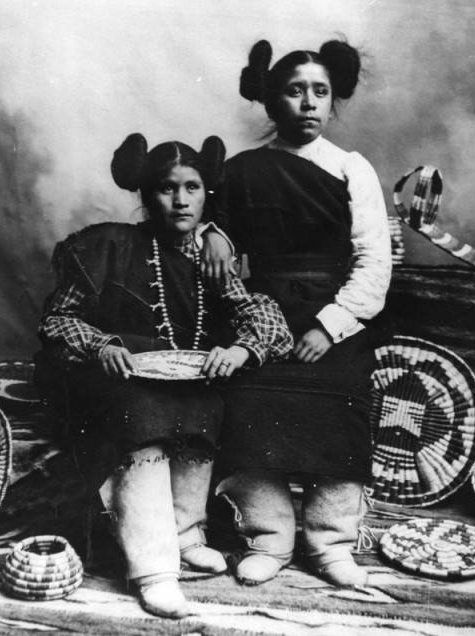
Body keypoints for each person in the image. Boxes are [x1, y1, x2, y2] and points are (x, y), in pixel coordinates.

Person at [34, 133, 293, 618]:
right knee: (143, 410)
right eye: (167, 188)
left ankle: (185, 533)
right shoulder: (108, 246)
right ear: (146, 195)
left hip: (176, 381)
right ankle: (154, 569)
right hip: (107, 378)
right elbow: (57, 321)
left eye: (192, 187)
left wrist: (242, 348)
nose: (180, 200)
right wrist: (101, 344)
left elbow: (261, 317)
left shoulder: (210, 256)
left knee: (207, 399)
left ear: (205, 193)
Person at [203, 39, 393, 588]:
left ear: (334, 103)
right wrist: (215, 232)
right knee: (245, 404)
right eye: (294, 91)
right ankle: (269, 537)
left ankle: (329, 541)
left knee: (342, 405)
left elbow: (373, 262)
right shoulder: (241, 171)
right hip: (260, 313)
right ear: (271, 102)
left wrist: (328, 327)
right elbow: (203, 222)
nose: (308, 102)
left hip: (335, 315)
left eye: (320, 92)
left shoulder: (351, 169)